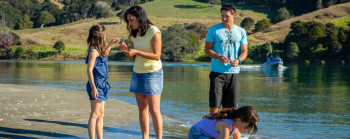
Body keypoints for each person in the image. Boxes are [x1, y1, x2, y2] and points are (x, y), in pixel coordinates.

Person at [119, 6, 163, 139]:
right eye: (128, 20)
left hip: (153, 73)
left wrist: (136, 52)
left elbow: (157, 56)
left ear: (140, 18)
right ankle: (145, 137)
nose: (130, 23)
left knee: (154, 110)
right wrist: (126, 51)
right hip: (137, 72)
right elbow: (133, 58)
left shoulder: (153, 31)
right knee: (142, 108)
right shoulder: (133, 34)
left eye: (132, 19)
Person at [205, 3, 248, 114]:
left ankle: (226, 130)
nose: (224, 18)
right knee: (214, 106)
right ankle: (211, 129)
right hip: (217, 73)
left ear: (233, 16)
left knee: (230, 109)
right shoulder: (213, 30)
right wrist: (218, 57)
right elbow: (207, 50)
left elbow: (245, 51)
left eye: (227, 16)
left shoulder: (241, 31)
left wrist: (238, 60)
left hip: (234, 73)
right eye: (222, 15)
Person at [86, 24, 120, 139]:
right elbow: (89, 70)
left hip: (103, 84)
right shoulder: (93, 51)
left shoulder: (99, 50)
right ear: (100, 36)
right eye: (104, 34)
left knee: (101, 114)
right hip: (96, 84)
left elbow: (105, 54)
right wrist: (94, 88)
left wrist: (110, 44)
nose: (105, 36)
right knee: (94, 114)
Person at [188, 106, 259, 139]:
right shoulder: (225, 126)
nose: (248, 130)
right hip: (196, 134)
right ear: (239, 120)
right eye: (248, 126)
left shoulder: (236, 129)